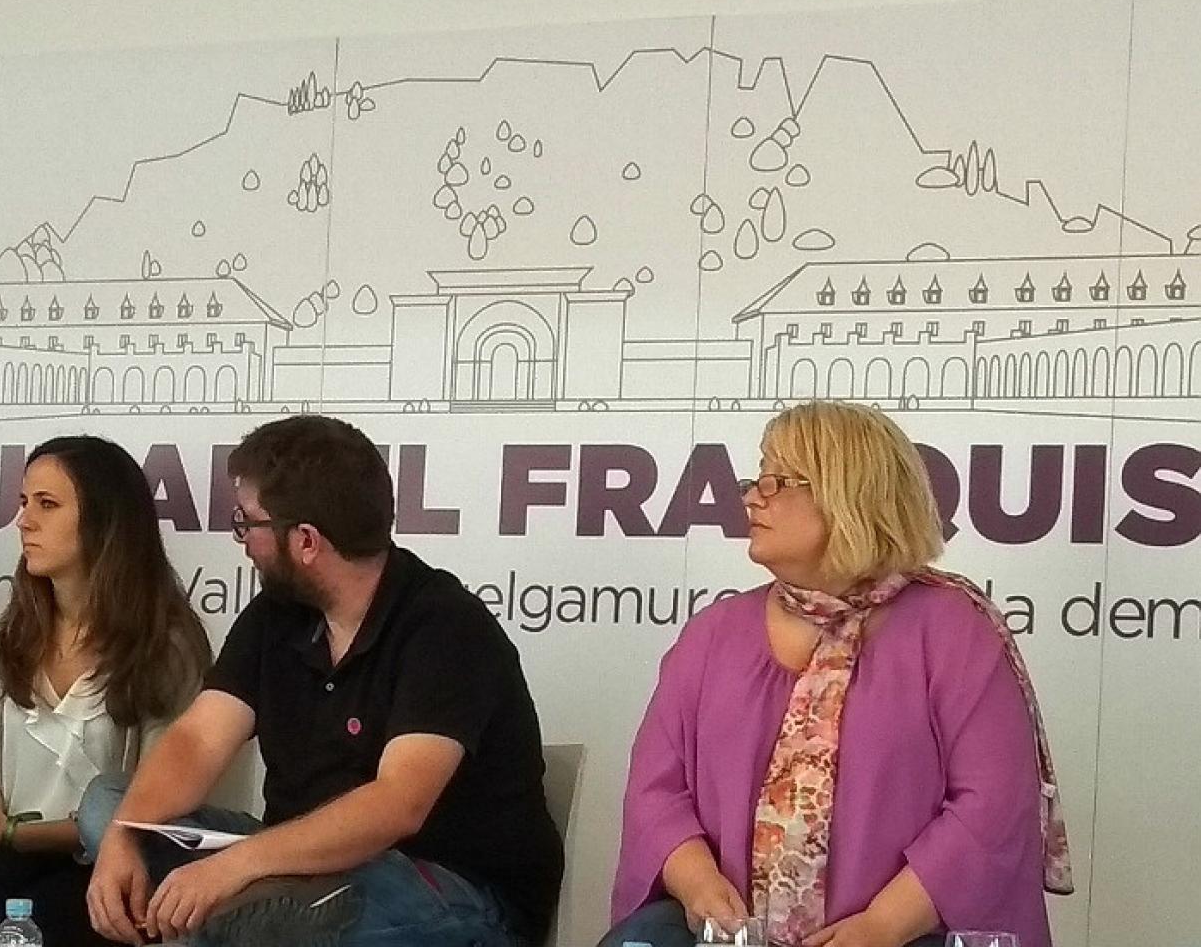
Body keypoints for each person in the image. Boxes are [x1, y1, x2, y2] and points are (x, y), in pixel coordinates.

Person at [77, 414, 563, 947]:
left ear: (306, 540)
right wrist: (128, 831)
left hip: (450, 892)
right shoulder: (275, 616)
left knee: (290, 907)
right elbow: (197, 739)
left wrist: (235, 867)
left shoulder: (445, 626)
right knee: (109, 801)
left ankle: (234, 918)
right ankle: (235, 918)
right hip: (294, 869)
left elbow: (397, 804)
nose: (240, 539)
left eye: (248, 523)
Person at [600, 400, 1070, 947]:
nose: (752, 495)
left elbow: (992, 805)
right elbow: (656, 792)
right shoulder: (714, 633)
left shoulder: (953, 629)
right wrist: (699, 884)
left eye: (778, 480)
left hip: (911, 933)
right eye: (757, 478)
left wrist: (882, 927)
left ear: (847, 491)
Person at [0, 436, 212, 947]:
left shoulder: (167, 643)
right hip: (12, 854)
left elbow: (153, 810)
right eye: (24, 503)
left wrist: (8, 834)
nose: (24, 521)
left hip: (110, 863)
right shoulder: (8, 628)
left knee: (53, 912)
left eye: (47, 505)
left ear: (104, 521)